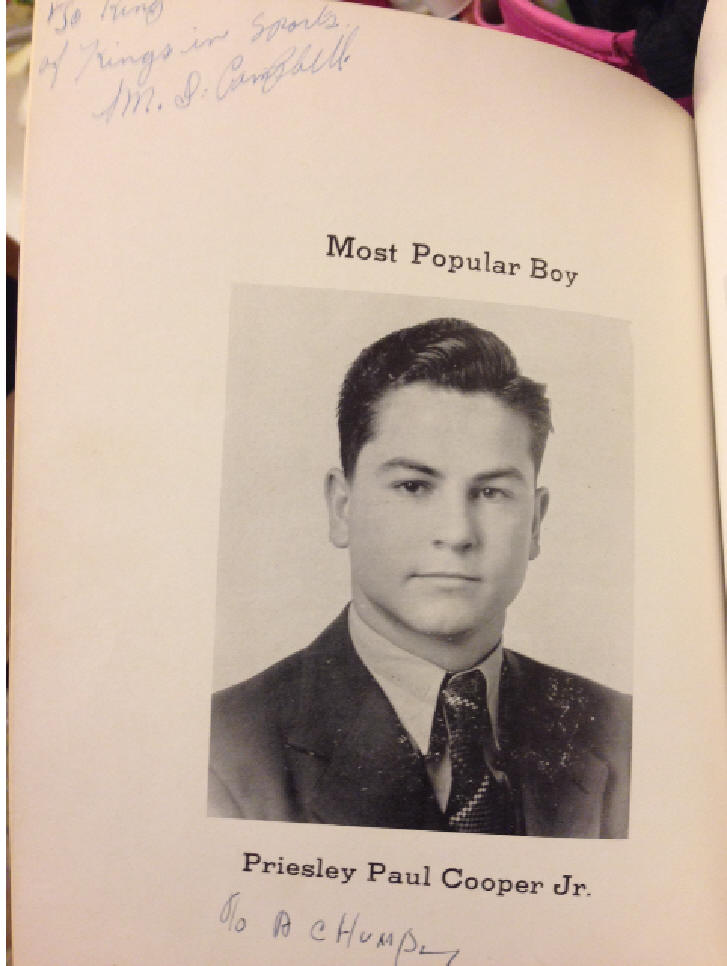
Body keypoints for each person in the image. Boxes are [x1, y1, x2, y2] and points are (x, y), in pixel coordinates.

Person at [208, 318, 631, 837]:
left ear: (536, 524)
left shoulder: (625, 733)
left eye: (492, 492)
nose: (456, 533)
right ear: (342, 507)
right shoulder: (222, 754)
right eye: (413, 486)